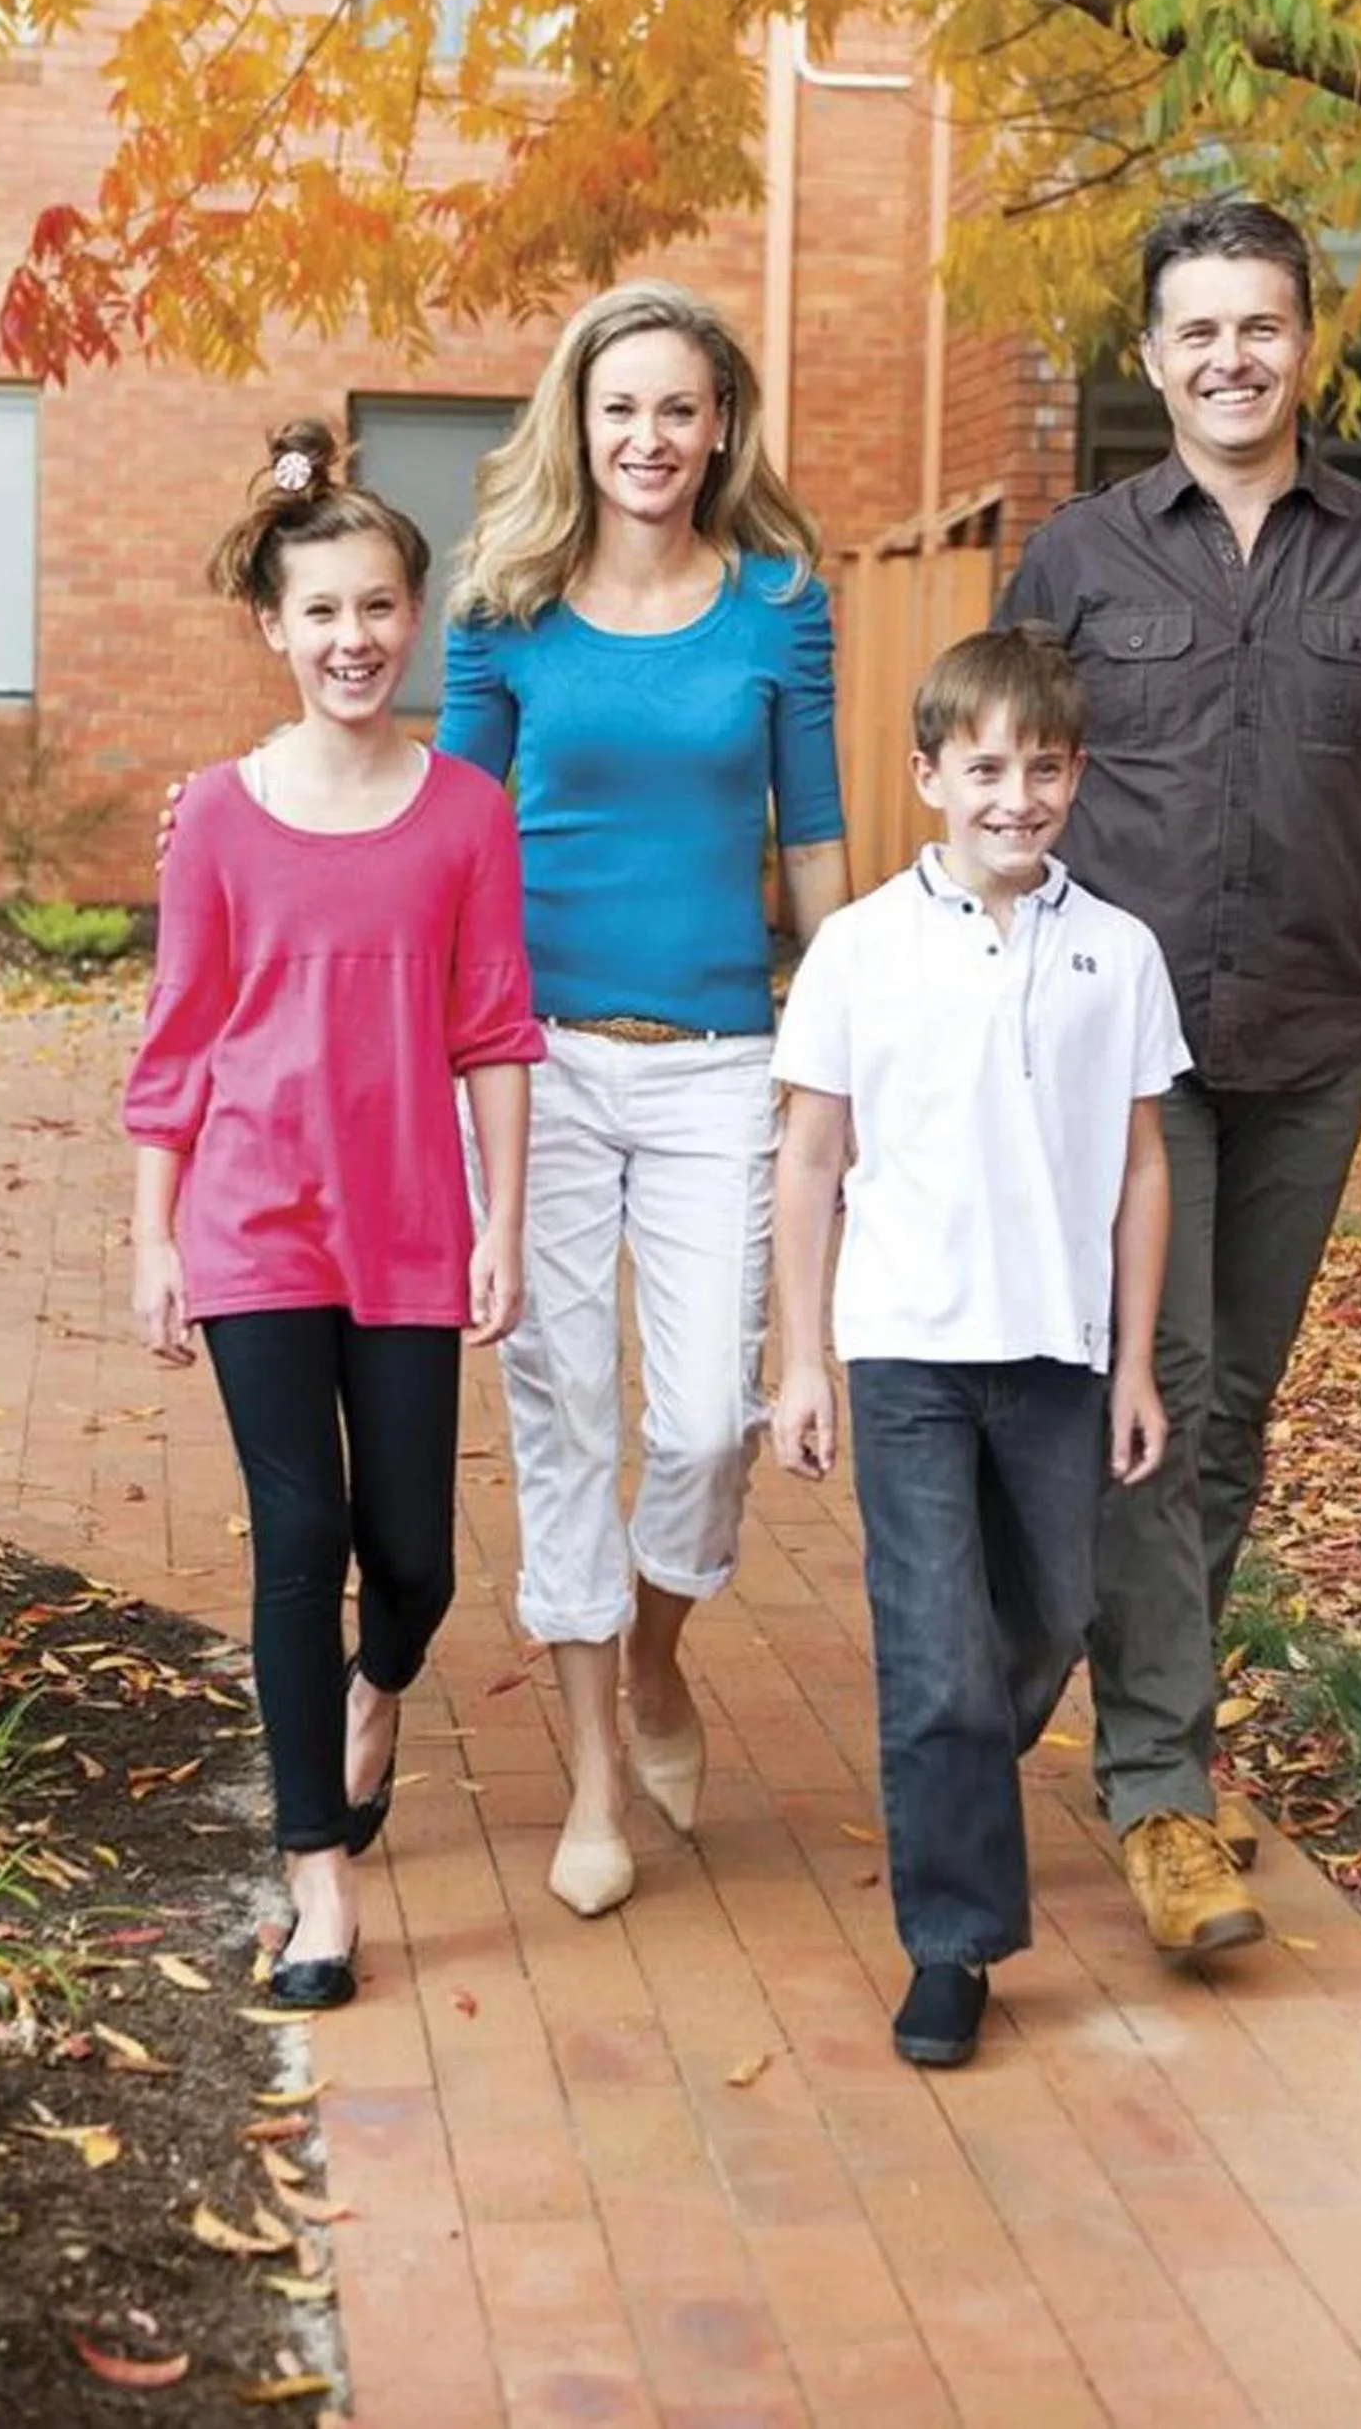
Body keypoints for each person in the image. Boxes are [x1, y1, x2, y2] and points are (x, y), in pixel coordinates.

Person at [994, 197, 1361, 1958]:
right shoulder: (1075, 560)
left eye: (1260, 326)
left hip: (1310, 1040)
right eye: (1195, 330)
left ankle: (1049, 1671)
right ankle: (1162, 1796)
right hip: (1119, 1062)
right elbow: (1000, 792)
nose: (1229, 358)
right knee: (1162, 1392)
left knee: (1216, 1424)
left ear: (1308, 344)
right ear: (1149, 357)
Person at [439, 282, 850, 1918]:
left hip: (719, 1065)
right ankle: (598, 1778)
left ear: (721, 426)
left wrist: (843, 1050)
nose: (648, 440)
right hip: (532, 1063)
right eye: (621, 410)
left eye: (678, 410)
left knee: (698, 1424)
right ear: (577, 421)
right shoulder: (503, 605)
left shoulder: (776, 607)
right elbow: (446, 838)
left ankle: (661, 1654)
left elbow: (813, 840)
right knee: (566, 1422)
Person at [125, 421, 542, 2009]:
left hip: (410, 1226)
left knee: (414, 1561)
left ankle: (379, 1690)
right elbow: (179, 1032)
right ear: (273, 629)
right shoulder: (220, 819)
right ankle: (319, 1885)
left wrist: (503, 1217)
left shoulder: (463, 816)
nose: (352, 639)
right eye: (322, 613)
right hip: (253, 1221)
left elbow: (495, 1028)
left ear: (412, 617)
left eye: (378, 608)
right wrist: (153, 1233)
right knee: (300, 1538)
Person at [769, 628, 1186, 2065]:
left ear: (1075, 776)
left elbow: (1141, 1168)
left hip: (1060, 1359)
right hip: (906, 1356)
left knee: (1052, 1622)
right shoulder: (861, 948)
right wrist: (798, 1360)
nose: (1017, 796)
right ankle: (951, 1947)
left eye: (1045, 767)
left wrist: (1133, 1364)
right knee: (940, 1665)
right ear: (931, 775)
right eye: (987, 768)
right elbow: (810, 1157)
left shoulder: (1114, 952)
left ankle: (944, 1779)